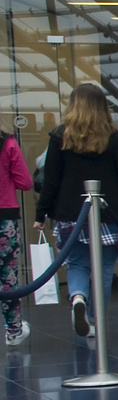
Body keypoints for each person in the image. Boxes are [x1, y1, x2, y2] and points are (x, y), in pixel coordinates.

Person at [34, 83, 118, 340]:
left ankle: (78, 298)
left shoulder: (60, 137)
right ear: (102, 106)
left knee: (77, 264)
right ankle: (95, 319)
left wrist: (40, 213)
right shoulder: (113, 137)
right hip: (108, 214)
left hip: (71, 214)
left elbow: (51, 180)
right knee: (105, 268)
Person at [1, 127, 33, 346]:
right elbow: (26, 183)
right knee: (8, 277)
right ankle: (13, 331)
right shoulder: (8, 144)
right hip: (5, 217)